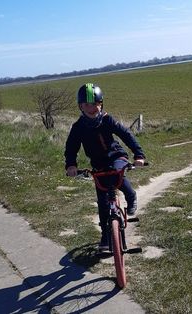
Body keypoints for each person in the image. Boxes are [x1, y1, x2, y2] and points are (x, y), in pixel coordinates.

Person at [65, 83, 146, 250]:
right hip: (98, 163)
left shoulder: (108, 120)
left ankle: (131, 196)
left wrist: (138, 155)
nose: (91, 108)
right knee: (102, 202)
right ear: (80, 106)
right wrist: (71, 165)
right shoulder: (78, 127)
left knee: (117, 174)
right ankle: (105, 235)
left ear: (101, 104)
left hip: (116, 156)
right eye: (87, 105)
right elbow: (71, 147)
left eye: (95, 104)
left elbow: (126, 135)